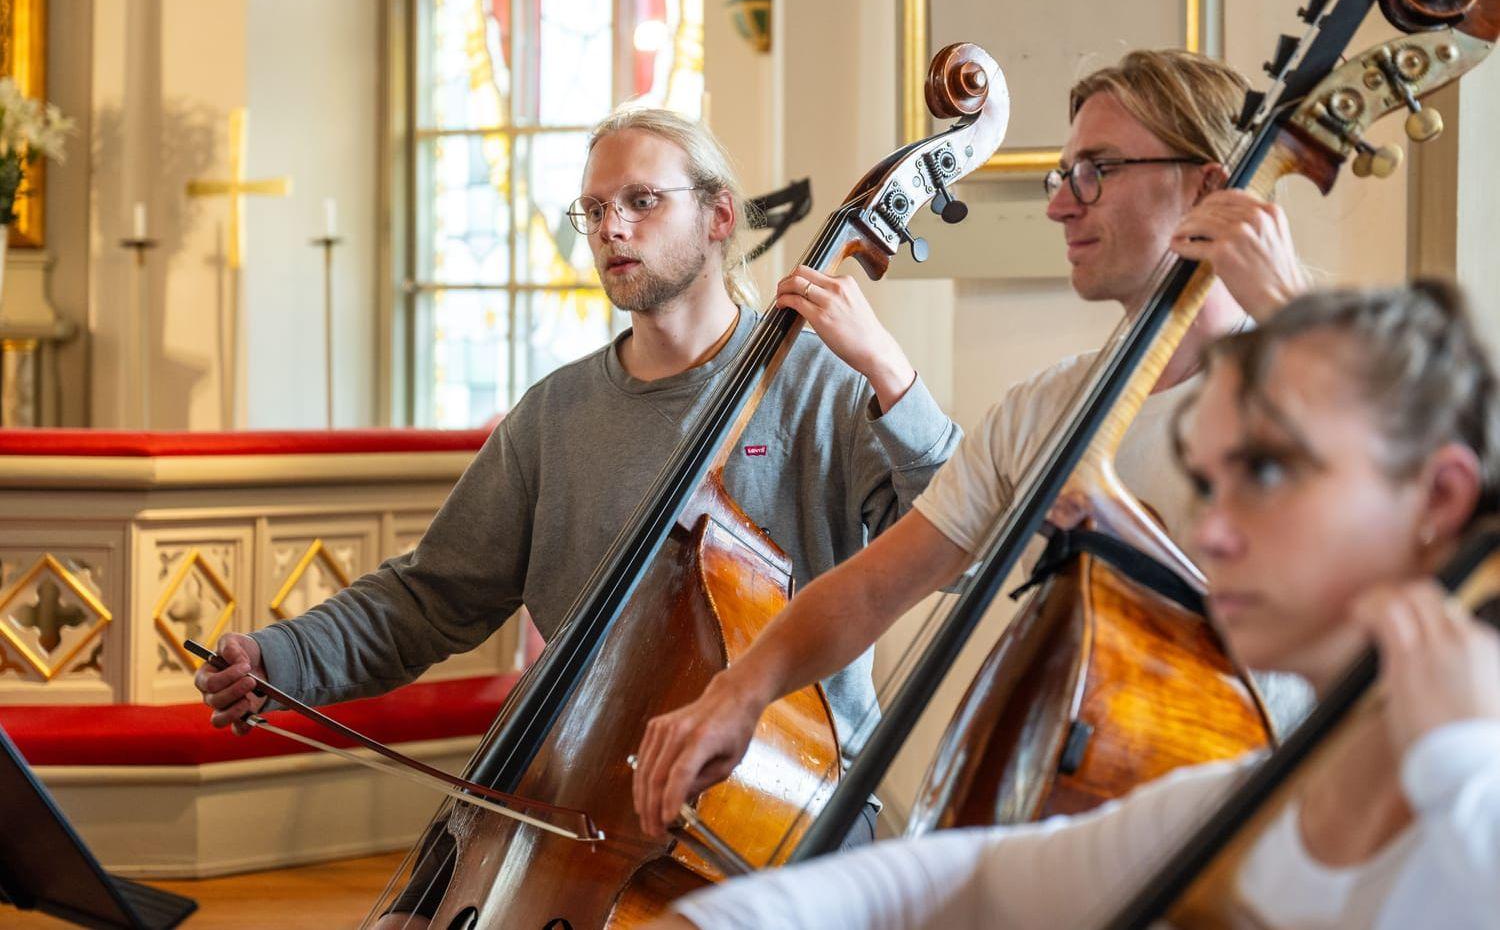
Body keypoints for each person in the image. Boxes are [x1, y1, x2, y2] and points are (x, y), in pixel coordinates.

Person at [193, 107, 959, 926]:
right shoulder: (554, 415)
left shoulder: (824, 388)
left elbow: (964, 549)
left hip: (779, 795)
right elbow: (429, 597)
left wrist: (889, 370)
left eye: (640, 202)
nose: (610, 229)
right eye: (593, 211)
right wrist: (284, 658)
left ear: (719, 216)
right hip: (565, 794)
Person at [646, 279, 1500, 930]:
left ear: (1443, 497)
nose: (1213, 533)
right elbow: (968, 879)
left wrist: (1457, 765)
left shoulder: (1472, 800)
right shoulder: (1244, 805)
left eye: (1269, 472)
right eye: (1210, 483)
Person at [633, 47, 1312, 838]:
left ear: (1210, 184)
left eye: (1097, 170)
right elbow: (869, 589)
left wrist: (1294, 315)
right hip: (1068, 823)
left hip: (1261, 833)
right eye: (1063, 175)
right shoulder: (1045, 409)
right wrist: (737, 694)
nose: (1061, 205)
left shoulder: (1319, 383)